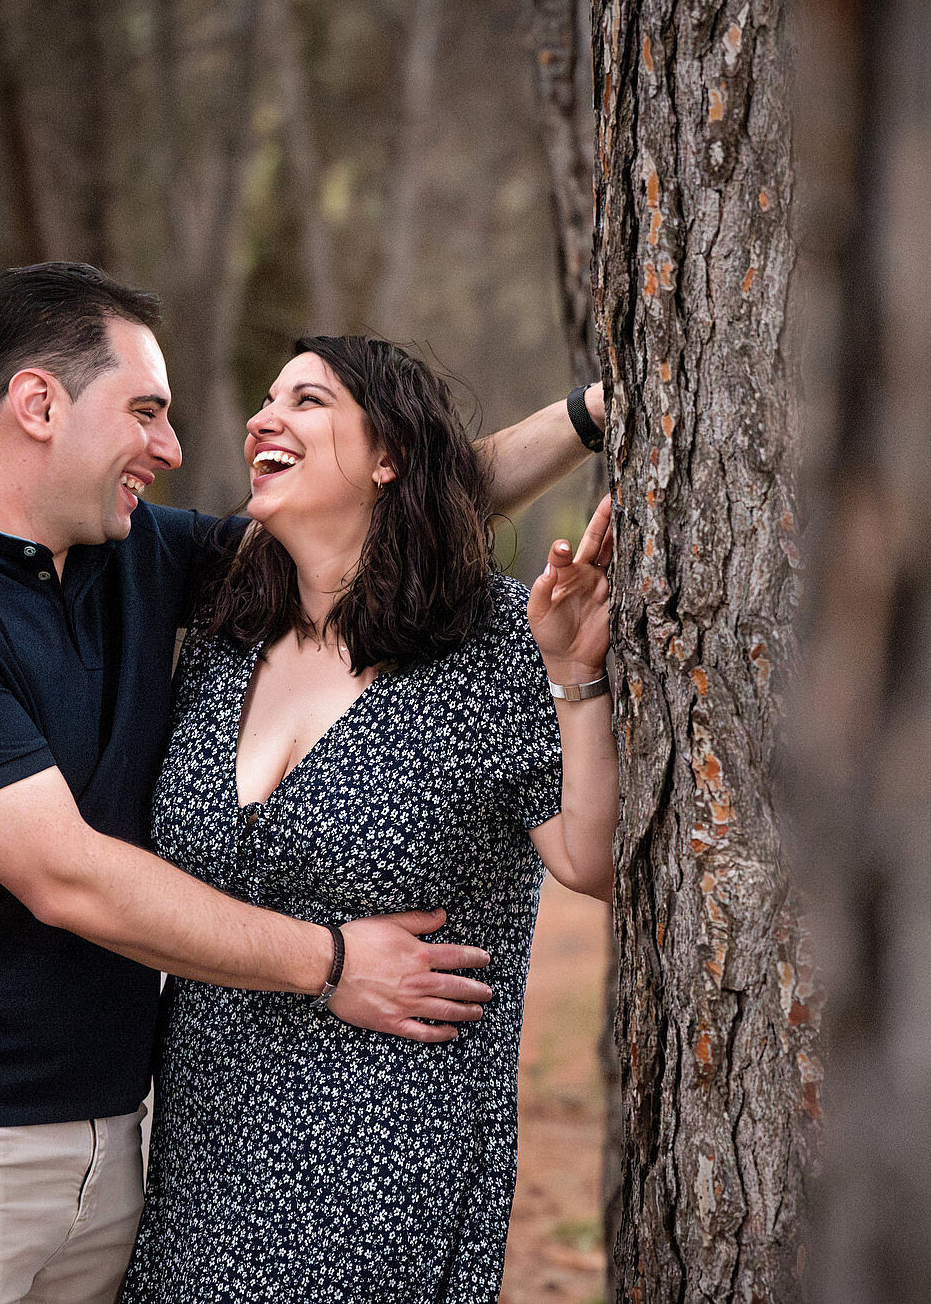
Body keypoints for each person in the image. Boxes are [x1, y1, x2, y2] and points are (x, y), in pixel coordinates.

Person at [0, 263, 607, 1304]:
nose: (171, 450)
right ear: (38, 403)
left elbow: (387, 514)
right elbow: (65, 878)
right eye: (144, 412)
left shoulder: (131, 553)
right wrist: (333, 958)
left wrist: (586, 416)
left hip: (115, 1144)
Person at [118, 336, 618, 1303]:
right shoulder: (225, 637)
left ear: (388, 456)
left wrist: (573, 678)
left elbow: (587, 860)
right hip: (203, 1140)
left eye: (306, 401)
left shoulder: (491, 643)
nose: (264, 419)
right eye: (266, 401)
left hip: (387, 1151)